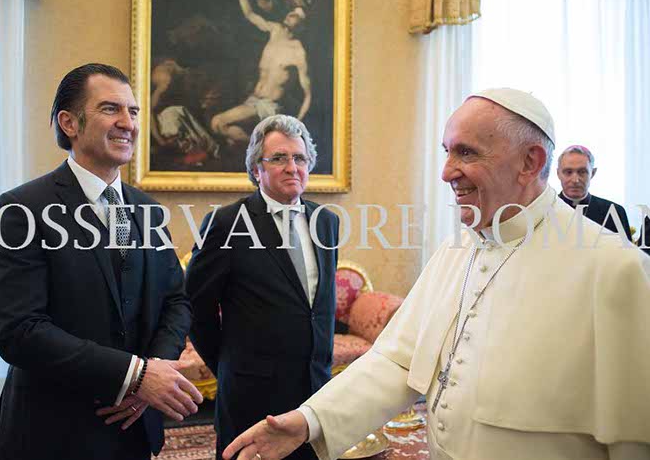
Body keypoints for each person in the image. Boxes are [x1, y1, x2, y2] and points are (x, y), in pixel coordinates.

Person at [223, 89, 650, 460]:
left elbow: (634, 440)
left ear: (529, 161)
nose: (446, 172)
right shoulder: (455, 250)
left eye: (466, 153)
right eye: (447, 152)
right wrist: (310, 420)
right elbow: (396, 361)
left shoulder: (614, 269)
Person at [0, 63, 203, 460]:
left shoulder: (148, 211)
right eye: (110, 109)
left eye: (133, 111)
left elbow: (176, 301)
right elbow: (19, 330)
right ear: (69, 122)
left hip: (133, 429)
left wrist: (153, 373)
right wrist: (135, 376)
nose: (128, 123)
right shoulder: (21, 209)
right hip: (51, 433)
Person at [184, 114, 339, 460]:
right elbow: (194, 306)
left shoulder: (326, 222)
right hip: (251, 395)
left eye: (300, 158)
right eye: (279, 158)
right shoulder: (227, 223)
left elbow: (318, 307)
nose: (292, 167)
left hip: (315, 396)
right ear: (257, 169)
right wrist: (229, 364)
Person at [210, 0, 312, 146]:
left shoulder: (298, 53)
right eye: (292, 11)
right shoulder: (275, 31)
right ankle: (264, 148)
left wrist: (297, 123)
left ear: (302, 25)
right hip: (253, 100)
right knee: (229, 137)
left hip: (269, 106)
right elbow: (249, 14)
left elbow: (308, 95)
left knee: (218, 122)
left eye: (297, 15)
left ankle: (265, 147)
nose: (291, 14)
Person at [556, 144, 632, 240]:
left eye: (582, 172)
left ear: (593, 173)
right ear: (558, 173)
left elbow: (625, 249)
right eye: (568, 172)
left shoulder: (614, 213)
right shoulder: (545, 209)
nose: (575, 180)